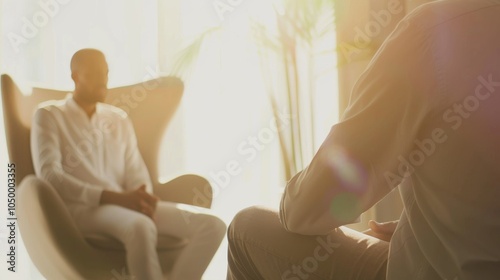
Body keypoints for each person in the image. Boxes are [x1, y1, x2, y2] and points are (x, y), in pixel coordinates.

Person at [227, 0, 500, 279]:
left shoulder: (434, 31)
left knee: (247, 230)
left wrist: (293, 197)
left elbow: (309, 207)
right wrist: (432, 227)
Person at [31, 48, 226, 280]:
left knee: (213, 226)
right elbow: (50, 176)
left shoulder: (118, 118)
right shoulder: (49, 115)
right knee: (141, 227)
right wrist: (112, 197)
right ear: (75, 76)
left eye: (106, 72)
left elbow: (136, 171)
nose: (103, 80)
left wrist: (142, 196)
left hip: (128, 205)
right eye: (94, 73)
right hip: (81, 211)